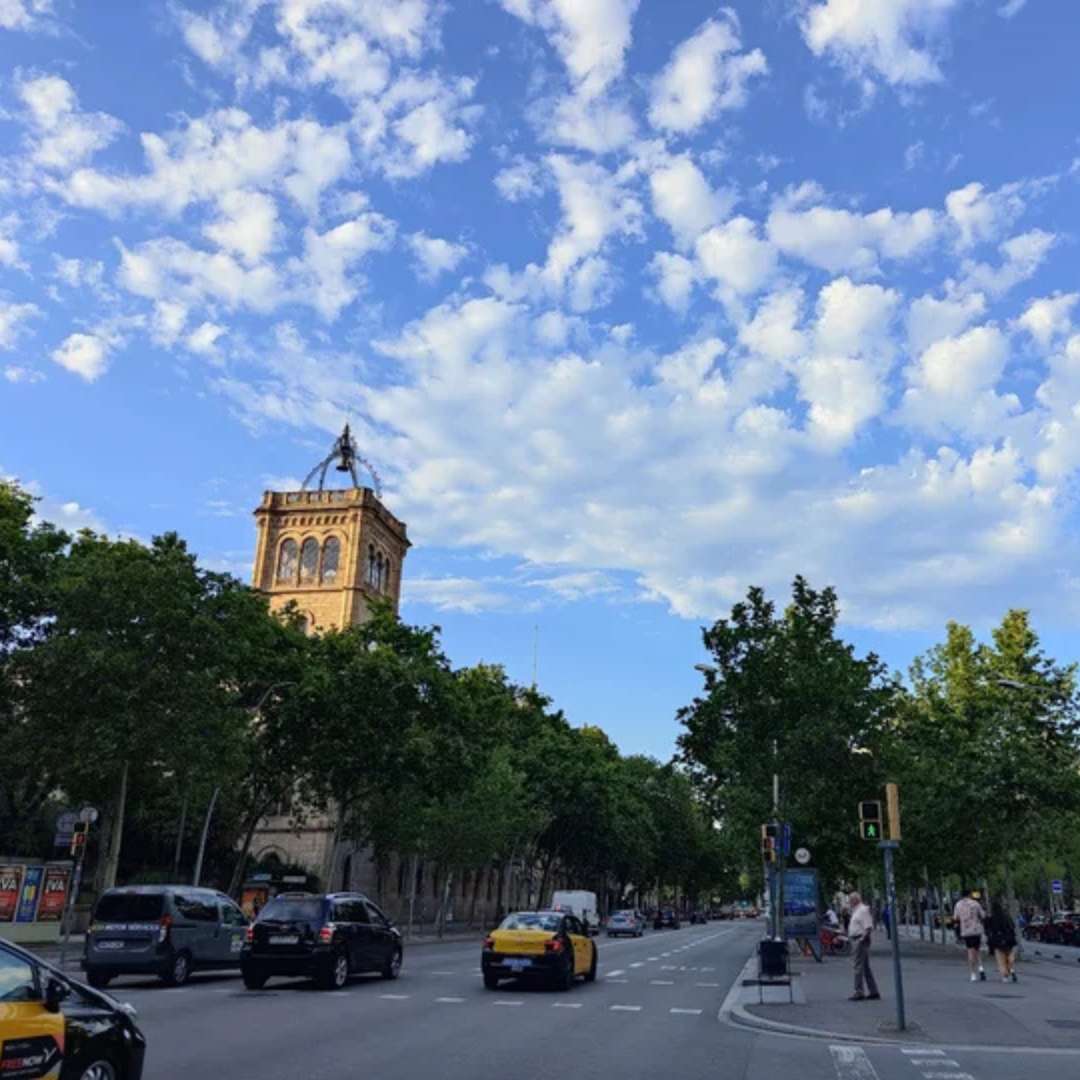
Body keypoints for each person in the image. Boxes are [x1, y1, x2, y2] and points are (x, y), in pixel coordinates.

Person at [847, 891, 880, 1002]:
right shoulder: (857, 910)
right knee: (865, 968)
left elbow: (868, 926)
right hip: (857, 939)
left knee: (858, 967)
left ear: (856, 900)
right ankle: (873, 991)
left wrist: (862, 939)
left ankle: (859, 991)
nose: (849, 902)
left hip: (860, 940)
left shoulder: (863, 910)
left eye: (851, 900)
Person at [953, 888, 987, 981]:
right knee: (977, 949)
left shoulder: (958, 905)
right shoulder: (975, 904)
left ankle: (973, 974)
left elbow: (955, 917)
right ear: (969, 895)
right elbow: (983, 915)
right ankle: (981, 967)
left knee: (970, 951)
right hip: (976, 929)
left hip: (966, 930)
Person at [985, 900, 1018, 983]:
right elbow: (1012, 926)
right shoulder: (1006, 916)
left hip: (997, 940)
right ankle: (1011, 968)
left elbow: (987, 928)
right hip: (1009, 939)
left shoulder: (992, 918)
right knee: (1009, 955)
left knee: (1001, 959)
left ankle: (1005, 975)